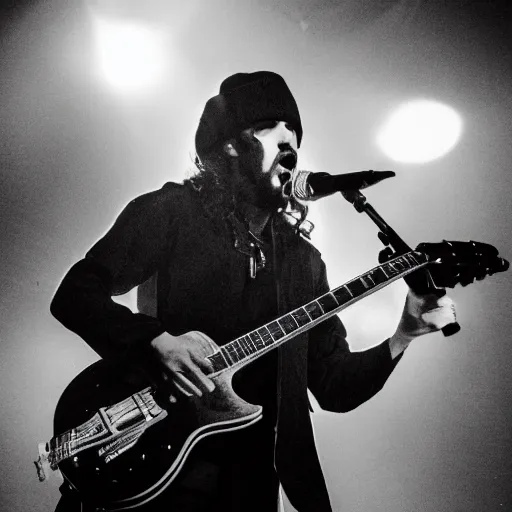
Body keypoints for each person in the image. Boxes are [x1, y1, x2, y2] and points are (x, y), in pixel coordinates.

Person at [50, 71, 456, 512]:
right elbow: (76, 293)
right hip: (152, 464)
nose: (290, 143)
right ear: (229, 144)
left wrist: (404, 334)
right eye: (271, 129)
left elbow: (335, 387)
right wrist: (155, 342)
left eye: (294, 134)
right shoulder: (173, 211)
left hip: (247, 490)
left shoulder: (303, 263)